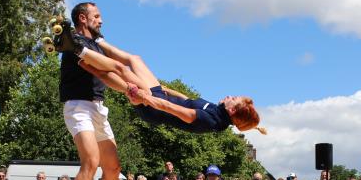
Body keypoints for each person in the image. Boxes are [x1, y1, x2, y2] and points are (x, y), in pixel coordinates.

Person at [56, 2, 134, 180]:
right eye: (97, 16)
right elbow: (111, 68)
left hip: (98, 108)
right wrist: (132, 86)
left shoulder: (96, 44)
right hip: (78, 106)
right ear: (82, 18)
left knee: (113, 167)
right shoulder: (73, 43)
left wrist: (130, 91)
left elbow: (108, 76)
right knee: (90, 160)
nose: (101, 21)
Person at [76, 43, 263, 134]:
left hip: (154, 107)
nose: (230, 95)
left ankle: (79, 51)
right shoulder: (217, 110)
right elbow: (187, 100)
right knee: (135, 59)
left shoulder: (211, 120)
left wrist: (144, 96)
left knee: (122, 71)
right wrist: (168, 90)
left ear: (232, 110)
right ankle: (97, 41)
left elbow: (172, 109)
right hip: (160, 96)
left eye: (234, 98)